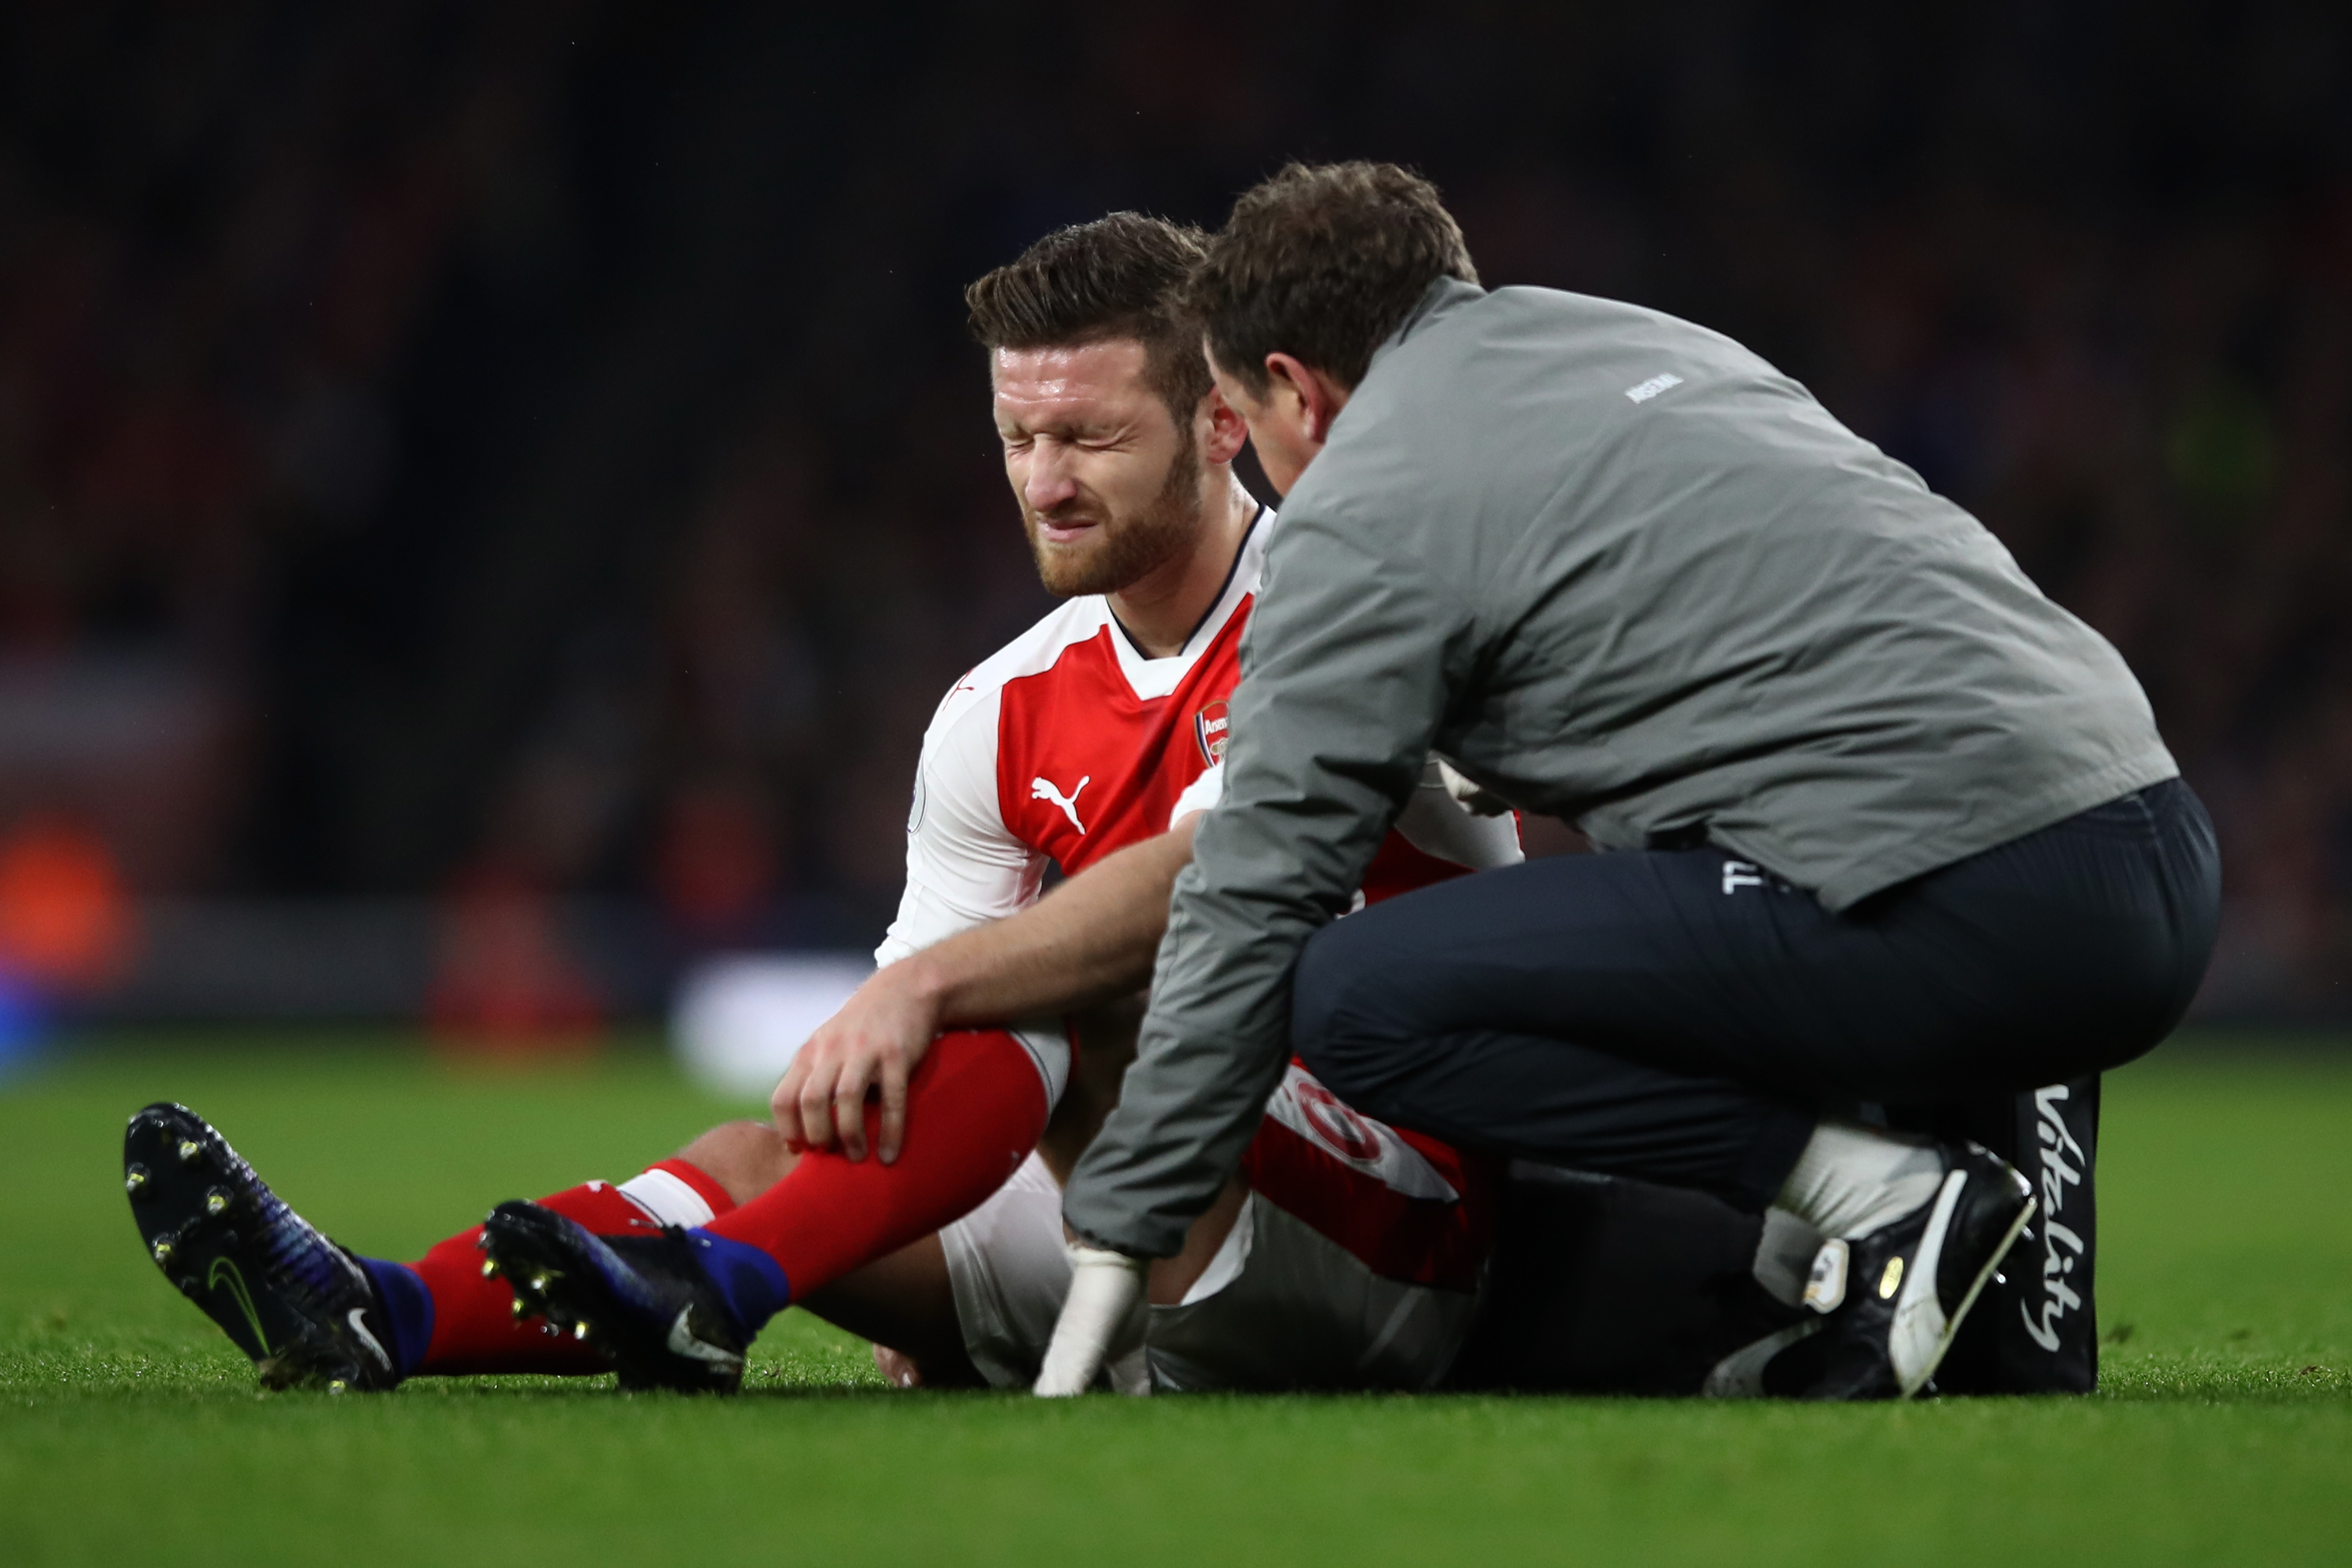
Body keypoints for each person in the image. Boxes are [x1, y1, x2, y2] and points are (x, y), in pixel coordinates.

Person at [128, 214, 1800, 1398]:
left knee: (1080, 988)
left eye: (1088, 433)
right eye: (1016, 435)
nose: (1045, 480)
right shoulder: (995, 710)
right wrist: (885, 1118)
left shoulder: (1351, 605)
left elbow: (1215, 880)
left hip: (1392, 1222)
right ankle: (379, 1316)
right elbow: (914, 1041)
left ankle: (723, 1289)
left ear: (1225, 420)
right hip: (1118, 1204)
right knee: (777, 1143)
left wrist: (935, 989)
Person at [1043, 164, 2220, 1402]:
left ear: (1293, 386)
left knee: (1356, 996)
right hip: (2142, 848)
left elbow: (1255, 892)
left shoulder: (1363, 497)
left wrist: (1126, 1226)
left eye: (1252, 424)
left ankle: (1866, 1194)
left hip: (1961, 901)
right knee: (1998, 1392)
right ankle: (1984, 1300)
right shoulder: (1646, 343)